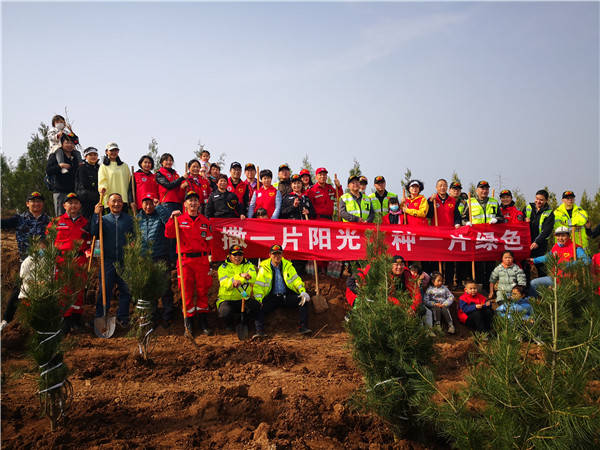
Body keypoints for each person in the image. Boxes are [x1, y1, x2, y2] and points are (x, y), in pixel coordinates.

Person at [165, 191, 213, 336]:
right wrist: (171, 218)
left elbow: (209, 243)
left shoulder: (205, 221)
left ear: (199, 204)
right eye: (190, 201)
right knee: (186, 291)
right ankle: (189, 323)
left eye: (195, 201)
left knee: (202, 290)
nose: (193, 203)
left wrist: (210, 260)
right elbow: (169, 233)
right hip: (185, 260)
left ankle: (203, 322)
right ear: (185, 204)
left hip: (202, 260)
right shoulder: (179, 220)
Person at [0, 192, 51, 330]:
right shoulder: (19, 219)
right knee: (18, 290)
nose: (36, 203)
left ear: (43, 204)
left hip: (44, 262)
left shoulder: (49, 220)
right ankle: (6, 319)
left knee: (44, 292)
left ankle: (44, 322)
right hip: (25, 262)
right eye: (32, 201)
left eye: (39, 201)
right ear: (27, 204)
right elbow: (3, 224)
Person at [47, 193, 91, 332]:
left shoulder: (86, 223)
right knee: (64, 290)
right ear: (64, 205)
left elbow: (92, 241)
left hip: (79, 260)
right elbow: (49, 242)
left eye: (76, 203)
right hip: (62, 260)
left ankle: (76, 320)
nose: (73, 205)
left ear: (80, 206)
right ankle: (65, 320)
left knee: (78, 290)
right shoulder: (55, 222)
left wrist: (92, 253)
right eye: (70, 203)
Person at [91, 192, 134, 328]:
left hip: (124, 261)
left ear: (123, 204)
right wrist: (95, 215)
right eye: (113, 201)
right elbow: (94, 232)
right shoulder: (103, 219)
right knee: (105, 290)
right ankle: (101, 316)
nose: (116, 204)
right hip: (107, 260)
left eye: (119, 201)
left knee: (125, 290)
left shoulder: (129, 220)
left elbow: (134, 237)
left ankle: (123, 317)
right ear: (108, 204)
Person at [253, 244, 312, 337]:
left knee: (303, 301)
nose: (277, 256)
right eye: (274, 254)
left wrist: (302, 291)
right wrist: (259, 299)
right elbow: (258, 286)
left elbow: (297, 280)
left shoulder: (288, 266)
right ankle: (259, 332)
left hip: (285, 296)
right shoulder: (264, 268)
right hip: (271, 297)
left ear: (282, 254)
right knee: (257, 307)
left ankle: (303, 328)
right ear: (270, 255)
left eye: (279, 253)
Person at [137, 193, 174, 327]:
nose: (148, 206)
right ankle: (152, 315)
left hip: (161, 256)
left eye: (150, 203)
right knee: (150, 288)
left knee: (165, 287)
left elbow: (169, 223)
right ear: (141, 204)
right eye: (145, 203)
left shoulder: (160, 215)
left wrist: (160, 207)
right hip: (145, 258)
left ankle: (168, 314)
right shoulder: (138, 218)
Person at [529, 226, 590, 297]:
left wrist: (569, 265)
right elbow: (548, 257)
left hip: (569, 281)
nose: (560, 238)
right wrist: (534, 260)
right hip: (554, 278)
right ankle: (537, 303)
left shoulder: (575, 248)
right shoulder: (555, 247)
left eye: (563, 236)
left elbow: (587, 261)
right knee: (533, 283)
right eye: (558, 236)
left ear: (569, 236)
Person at [345, 256, 422, 313]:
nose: (399, 267)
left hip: (391, 299)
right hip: (360, 294)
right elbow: (384, 295)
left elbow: (416, 292)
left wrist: (412, 308)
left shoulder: (406, 273)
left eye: (401, 264)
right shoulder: (379, 273)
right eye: (396, 264)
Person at [466, 180, 503, 289]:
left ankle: (489, 288)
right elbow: (463, 218)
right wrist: (467, 223)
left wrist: (496, 219)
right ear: (477, 190)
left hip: (490, 238)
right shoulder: (470, 202)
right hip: (476, 238)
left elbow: (502, 217)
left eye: (486, 188)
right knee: (478, 264)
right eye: (482, 188)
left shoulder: (494, 202)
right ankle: (479, 288)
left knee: (490, 264)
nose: (484, 191)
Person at [216, 244, 260, 331]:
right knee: (225, 312)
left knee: (256, 306)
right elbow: (226, 284)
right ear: (229, 256)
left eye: (240, 254)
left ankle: (244, 322)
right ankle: (229, 324)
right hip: (227, 300)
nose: (237, 257)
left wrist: (240, 280)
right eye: (235, 254)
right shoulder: (223, 267)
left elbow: (253, 278)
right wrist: (240, 275)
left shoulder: (249, 265)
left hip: (243, 298)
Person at [46, 132, 80, 215]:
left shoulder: (76, 156)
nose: (70, 145)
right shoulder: (55, 155)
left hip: (73, 190)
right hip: (60, 191)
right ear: (62, 143)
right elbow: (48, 170)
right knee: (60, 217)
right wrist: (60, 166)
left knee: (73, 215)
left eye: (72, 143)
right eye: (67, 142)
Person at [524, 189, 555, 278]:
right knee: (526, 267)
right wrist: (524, 220)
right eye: (537, 198)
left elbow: (546, 230)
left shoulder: (549, 213)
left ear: (546, 200)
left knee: (541, 268)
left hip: (540, 245)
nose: (538, 201)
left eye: (541, 200)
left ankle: (542, 289)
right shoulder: (528, 207)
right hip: (527, 243)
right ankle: (526, 289)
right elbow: (520, 220)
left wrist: (537, 242)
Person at [98, 142, 134, 214]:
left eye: (116, 150)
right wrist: (102, 188)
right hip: (109, 199)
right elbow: (102, 182)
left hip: (123, 199)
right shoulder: (103, 166)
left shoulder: (124, 166)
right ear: (106, 152)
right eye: (111, 150)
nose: (114, 152)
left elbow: (129, 182)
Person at [75, 147, 100, 219]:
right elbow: (85, 184)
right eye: (90, 155)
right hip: (85, 200)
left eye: (95, 155)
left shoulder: (99, 168)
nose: (93, 157)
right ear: (86, 156)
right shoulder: (82, 168)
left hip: (97, 199)